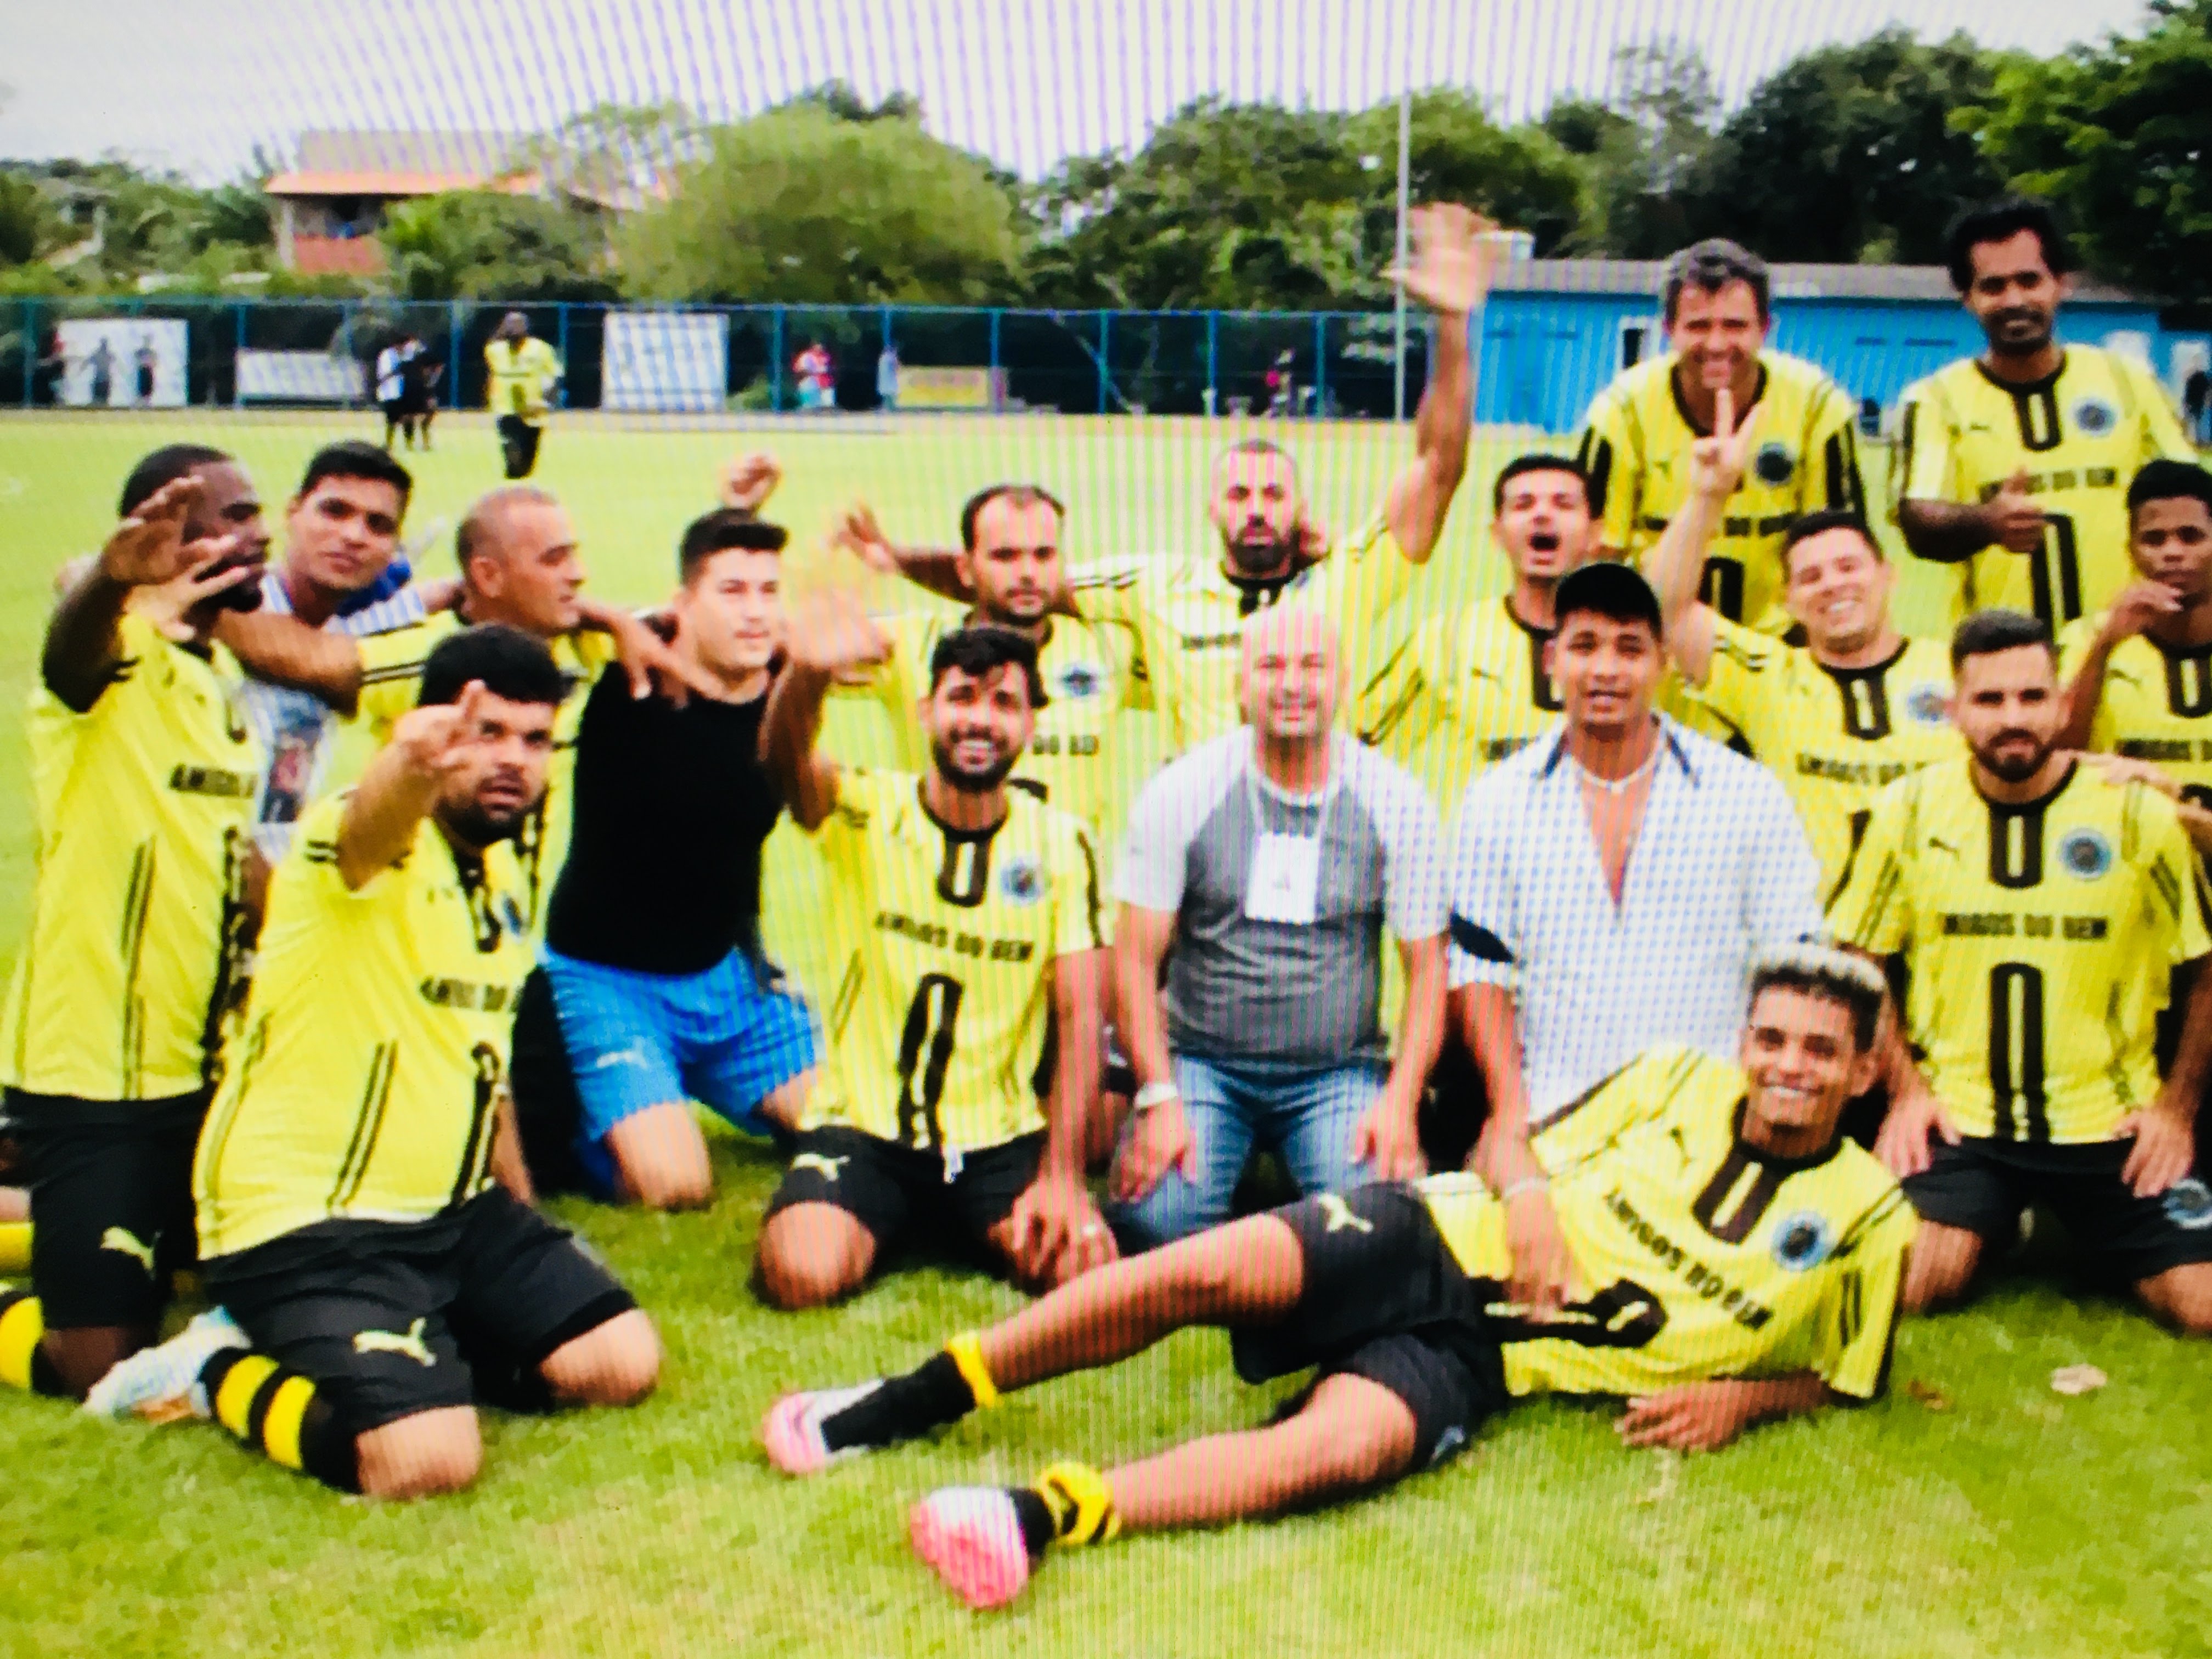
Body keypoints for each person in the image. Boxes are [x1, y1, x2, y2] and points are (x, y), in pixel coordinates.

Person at [761, 949, 1913, 1612]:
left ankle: (1029, 1516)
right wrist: (1524, 1200)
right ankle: (891, 1405)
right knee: (1200, 1267)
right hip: (1427, 1230)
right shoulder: (1672, 1078)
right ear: (1744, 1038)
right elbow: (1508, 1139)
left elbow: (1848, 1378)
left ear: (1865, 1069)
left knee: (1339, 1451)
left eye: (1820, 1050)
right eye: (1771, 1038)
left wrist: (1745, 1396)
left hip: (1488, 1355)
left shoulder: (1871, 1216)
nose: (1787, 1066)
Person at [82, 627, 661, 1497]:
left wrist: (524, 1224)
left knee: (619, 1363)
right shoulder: (357, 841)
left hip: (449, 1211)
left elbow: (481, 1068)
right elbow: (374, 822)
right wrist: (409, 768)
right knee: (427, 1461)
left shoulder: (499, 876)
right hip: (311, 1223)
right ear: (426, 733)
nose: (513, 760)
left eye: (535, 740)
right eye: (486, 734)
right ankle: (212, 1370)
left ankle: (411, 1357)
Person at [850, 201, 1499, 749]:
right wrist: (896, 558)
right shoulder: (1155, 587)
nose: (1256, 508)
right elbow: (1021, 585)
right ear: (1211, 508)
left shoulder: (1352, 578)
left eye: (1273, 493)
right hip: (1207, 836)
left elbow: (1438, 467)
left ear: (1299, 506)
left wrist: (1451, 324)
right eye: (1238, 493)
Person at [1829, 609, 2212, 1331]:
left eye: (2033, 697)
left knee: (2202, 1305)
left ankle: (2082, 1227)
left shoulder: (2137, 816)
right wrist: (1907, 1093)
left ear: (2064, 705)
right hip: (1966, 1121)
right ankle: (2006, 1218)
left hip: (2111, 1126)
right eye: (1990, 699)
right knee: (1906, 1284)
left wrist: (2175, 1110)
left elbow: (2206, 968)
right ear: (1954, 711)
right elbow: (1861, 960)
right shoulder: (1908, 811)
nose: (2013, 718)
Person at [754, 599, 1115, 1307]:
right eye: (962, 697)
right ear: (925, 712)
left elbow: (1080, 1018)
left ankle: (948, 1219)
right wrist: (810, 674)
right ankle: (878, 1213)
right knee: (800, 1274)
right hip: (863, 1128)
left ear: (1031, 726)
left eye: (1004, 703)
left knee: (1087, 1274)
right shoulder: (866, 811)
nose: (981, 720)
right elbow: (783, 761)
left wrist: (1063, 1176)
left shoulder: (1063, 844)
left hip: (995, 1140)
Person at [0, 456, 267, 1403]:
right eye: (232, 517)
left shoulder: (218, 675)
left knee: (214, 1269)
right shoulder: (112, 656)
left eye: (258, 514)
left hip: (194, 1071)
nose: (258, 532)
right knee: (103, 1362)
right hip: (92, 1075)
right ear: (162, 542)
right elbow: (69, 656)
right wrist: (110, 581)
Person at [1446, 562, 1823, 1148]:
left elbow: (1796, 964)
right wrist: (1512, 1106)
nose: (1606, 670)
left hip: (1713, 1125)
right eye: (1585, 646)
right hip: (1556, 1120)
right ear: (1551, 660)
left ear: (1662, 662)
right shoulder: (1496, 799)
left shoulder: (1745, 791)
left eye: (1630, 649)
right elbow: (1480, 969)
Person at [1105, 607, 1445, 1250]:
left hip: (1336, 1070)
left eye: (1312, 666)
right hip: (1202, 1062)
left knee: (1383, 1228)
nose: (1292, 685)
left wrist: (1400, 1103)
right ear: (1239, 684)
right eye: (1270, 666)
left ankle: (1311, 1168)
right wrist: (1158, 1096)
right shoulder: (1183, 791)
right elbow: (1134, 961)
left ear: (1342, 680)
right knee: (1154, 1223)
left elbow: (1427, 968)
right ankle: (1221, 1160)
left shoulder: (1397, 801)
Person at [217, 483, 701, 923]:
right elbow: (310, 660)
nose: (579, 575)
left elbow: (704, 629)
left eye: (574, 557)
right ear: (488, 576)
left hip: (527, 934)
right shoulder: (430, 654)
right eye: (554, 561)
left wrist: (615, 618)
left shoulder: (584, 650)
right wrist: (199, 602)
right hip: (421, 926)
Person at [528, 511, 815, 1206]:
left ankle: (673, 1080)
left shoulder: (786, 685)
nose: (756, 612)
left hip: (727, 983)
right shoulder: (629, 667)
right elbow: (538, 607)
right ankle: (576, 1101)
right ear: (683, 602)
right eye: (733, 591)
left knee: (850, 1128)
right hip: (607, 982)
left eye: (769, 591)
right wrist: (616, 619)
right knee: (676, 1186)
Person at [1643, 390, 1962, 894]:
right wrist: (1708, 496)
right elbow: (1665, 608)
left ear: (1889, 575)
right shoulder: (1767, 676)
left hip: (1937, 924)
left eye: (1849, 567)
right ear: (1788, 600)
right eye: (1810, 577)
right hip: (1809, 931)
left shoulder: (1957, 671)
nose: (1833, 585)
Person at [1893, 196, 2193, 631]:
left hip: (2128, 648)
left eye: (2029, 280)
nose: (2014, 300)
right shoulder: (1936, 400)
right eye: (1993, 287)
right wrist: (1987, 522)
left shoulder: (2128, 382)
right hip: (2004, 659)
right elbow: (1918, 523)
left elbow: (2193, 500)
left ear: (2060, 284)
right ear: (1968, 299)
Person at [835, 483, 1188, 844]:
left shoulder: (1108, 647)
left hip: (1065, 875)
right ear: (965, 569)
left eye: (1044, 555)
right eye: (1005, 556)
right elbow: (801, 656)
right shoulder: (908, 644)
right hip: (937, 868)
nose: (1027, 573)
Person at [1574, 239, 1864, 635]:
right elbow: (1595, 559)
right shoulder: (1623, 411)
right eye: (1698, 326)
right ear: (1669, 329)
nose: (1716, 345)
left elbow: (1840, 552)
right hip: (1656, 638)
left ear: (1764, 328)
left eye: (1734, 326)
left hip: (1780, 645)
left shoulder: (1817, 406)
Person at [224, 442, 429, 868]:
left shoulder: (354, 629)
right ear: (293, 512)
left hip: (272, 873)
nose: (354, 536)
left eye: (378, 525)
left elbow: (416, 605)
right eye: (335, 511)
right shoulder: (223, 603)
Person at [1356, 453, 1601, 803]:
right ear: (1496, 534)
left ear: (1595, 533)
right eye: (1524, 504)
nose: (1542, 514)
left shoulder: (1629, 646)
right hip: (1485, 836)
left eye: (1563, 504)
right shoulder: (1449, 639)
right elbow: (1361, 750)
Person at [2057, 458, 2212, 847]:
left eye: (2191, 536)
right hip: (2128, 852)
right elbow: (2056, 757)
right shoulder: (2084, 639)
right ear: (2130, 550)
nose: (2172, 552)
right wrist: (2103, 648)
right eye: (2154, 540)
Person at [485, 312, 561, 480]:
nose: (513, 329)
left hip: (533, 409)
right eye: (509, 325)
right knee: (511, 449)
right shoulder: (495, 350)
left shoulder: (540, 348)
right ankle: (512, 473)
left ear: (526, 328)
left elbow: (554, 376)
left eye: (518, 325)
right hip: (506, 407)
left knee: (528, 461)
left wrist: (548, 401)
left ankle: (521, 473)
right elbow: (491, 361)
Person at [86, 337, 114, 407]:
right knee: (98, 399)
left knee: (103, 400)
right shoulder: (100, 354)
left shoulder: (107, 355)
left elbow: (88, 362)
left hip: (104, 379)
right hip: (100, 379)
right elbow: (88, 362)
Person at [132, 336, 157, 406]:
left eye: (148, 341)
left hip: (149, 370)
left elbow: (155, 361)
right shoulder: (141, 351)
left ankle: (147, 403)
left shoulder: (152, 352)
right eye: (146, 341)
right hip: (143, 370)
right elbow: (136, 355)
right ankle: (140, 403)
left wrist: (151, 363)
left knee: (148, 389)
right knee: (142, 388)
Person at [877, 341, 901, 412]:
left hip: (884, 378)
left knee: (886, 393)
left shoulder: (883, 357)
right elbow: (897, 366)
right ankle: (891, 408)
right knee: (892, 393)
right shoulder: (892, 357)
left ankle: (887, 407)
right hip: (890, 378)